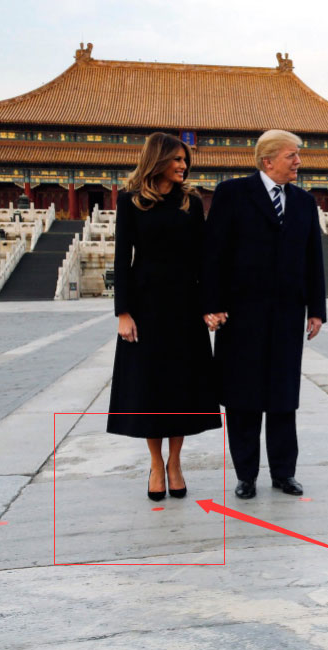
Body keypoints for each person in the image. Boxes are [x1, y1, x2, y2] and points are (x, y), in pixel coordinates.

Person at [201, 129, 326, 500]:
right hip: (241, 315)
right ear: (267, 160)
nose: (299, 163)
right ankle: (246, 475)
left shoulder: (304, 202)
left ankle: (284, 473)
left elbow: (312, 259)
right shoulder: (232, 193)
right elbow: (213, 253)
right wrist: (212, 303)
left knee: (283, 397)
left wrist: (316, 310)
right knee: (243, 398)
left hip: (288, 313)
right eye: (292, 156)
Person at [108, 132, 222, 501]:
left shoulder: (190, 201)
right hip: (145, 305)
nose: (183, 166)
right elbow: (122, 258)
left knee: (181, 387)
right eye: (176, 159)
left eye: (185, 160)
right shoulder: (130, 202)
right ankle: (156, 464)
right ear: (157, 160)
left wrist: (209, 304)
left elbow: (204, 257)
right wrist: (123, 312)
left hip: (185, 306)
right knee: (150, 388)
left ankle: (176, 462)